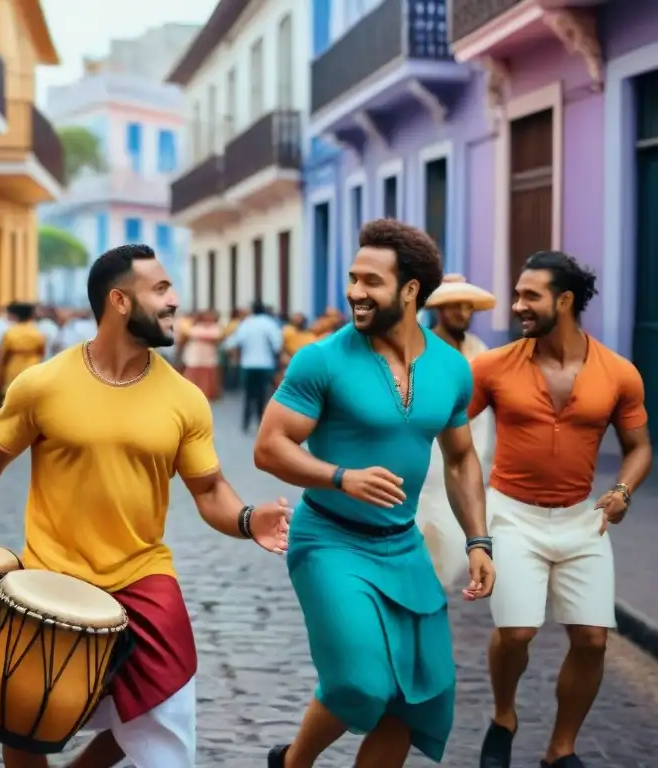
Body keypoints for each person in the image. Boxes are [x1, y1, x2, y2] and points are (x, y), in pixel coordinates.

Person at [0, 244, 292, 768]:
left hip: (143, 576)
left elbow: (209, 490)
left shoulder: (185, 399)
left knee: (166, 716)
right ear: (119, 301)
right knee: (21, 721)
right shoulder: (43, 384)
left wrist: (248, 520)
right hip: (49, 575)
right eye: (160, 289)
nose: (175, 300)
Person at [253, 219, 495, 767]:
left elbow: (461, 458)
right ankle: (292, 762)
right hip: (331, 542)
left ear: (410, 290)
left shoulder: (453, 368)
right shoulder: (323, 359)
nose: (354, 292)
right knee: (360, 683)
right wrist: (340, 476)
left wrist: (479, 541)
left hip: (402, 547)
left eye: (371, 281)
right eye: (352, 277)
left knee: (419, 702)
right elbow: (270, 447)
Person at [470, 251, 651, 768]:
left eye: (531, 296)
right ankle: (504, 715)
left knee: (594, 640)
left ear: (565, 301)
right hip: (511, 515)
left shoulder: (619, 373)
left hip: (582, 517)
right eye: (518, 294)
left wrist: (622, 492)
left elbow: (640, 447)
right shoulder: (493, 366)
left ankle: (560, 748)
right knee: (516, 633)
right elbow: (446, 426)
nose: (517, 305)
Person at [417, 275, 497, 589]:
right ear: (439, 309)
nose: (463, 313)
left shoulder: (481, 350)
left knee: (452, 553)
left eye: (467, 307)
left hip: (472, 458)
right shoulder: (420, 348)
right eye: (454, 306)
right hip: (426, 464)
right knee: (420, 545)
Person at [222, 300, 283, 432]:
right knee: (263, 394)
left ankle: (246, 421)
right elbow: (277, 344)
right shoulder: (270, 324)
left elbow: (232, 342)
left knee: (249, 394)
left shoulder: (246, 324)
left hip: (248, 364)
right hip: (266, 364)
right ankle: (261, 422)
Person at [0, 301, 45, 412]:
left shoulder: (10, 333)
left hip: (13, 375)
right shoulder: (38, 333)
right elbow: (41, 353)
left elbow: (3, 357)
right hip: (33, 374)